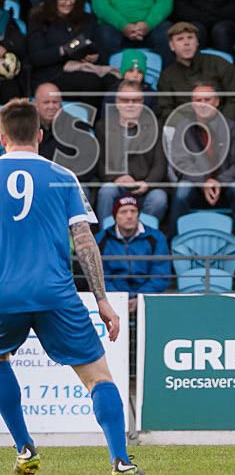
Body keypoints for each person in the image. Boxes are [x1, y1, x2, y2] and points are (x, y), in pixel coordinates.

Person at [0, 98, 144, 474]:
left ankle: (25, 449)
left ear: (2, 138)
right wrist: (102, 300)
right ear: (40, 134)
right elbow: (84, 241)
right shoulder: (63, 176)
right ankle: (120, 461)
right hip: (56, 294)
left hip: (3, 294)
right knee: (99, 377)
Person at [168, 81, 235, 238]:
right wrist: (204, 181)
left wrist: (219, 181)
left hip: (226, 186)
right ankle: (174, 243)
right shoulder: (183, 128)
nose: (203, 104)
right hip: (196, 186)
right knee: (182, 190)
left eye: (207, 100)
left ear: (217, 102)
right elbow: (180, 163)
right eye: (198, 101)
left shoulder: (233, 128)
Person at [28, 0, 117, 108]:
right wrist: (65, 50)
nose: (68, 3)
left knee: (113, 81)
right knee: (91, 82)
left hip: (84, 68)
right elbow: (36, 58)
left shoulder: (87, 20)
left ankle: (106, 124)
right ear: (53, 0)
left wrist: (94, 57)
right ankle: (86, 124)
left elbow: (101, 51)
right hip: (52, 74)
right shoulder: (39, 19)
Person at [96, 80, 168, 223]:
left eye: (135, 100)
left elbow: (160, 163)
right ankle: (105, 239)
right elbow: (99, 162)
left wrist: (147, 183)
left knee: (159, 198)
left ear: (142, 102)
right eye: (125, 100)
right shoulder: (103, 126)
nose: (130, 104)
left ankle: (141, 238)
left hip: (145, 187)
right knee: (106, 191)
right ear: (117, 102)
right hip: (117, 186)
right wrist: (116, 178)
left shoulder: (155, 126)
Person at [95, 195, 171, 313]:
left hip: (149, 298)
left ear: (138, 214)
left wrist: (140, 298)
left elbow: (161, 274)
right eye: (123, 212)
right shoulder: (101, 240)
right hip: (113, 299)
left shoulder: (156, 237)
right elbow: (100, 276)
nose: (129, 216)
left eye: (133, 211)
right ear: (115, 216)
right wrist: (120, 298)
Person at [157, 22, 235, 123]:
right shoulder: (167, 76)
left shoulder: (219, 64)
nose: (186, 43)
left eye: (190, 38)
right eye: (180, 39)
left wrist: (220, 123)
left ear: (197, 42)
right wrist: (190, 127)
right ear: (171, 46)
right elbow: (165, 110)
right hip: (186, 131)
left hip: (225, 124)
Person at [91, 0, 173, 65]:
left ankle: (166, 79)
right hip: (115, 27)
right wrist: (123, 25)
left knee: (168, 33)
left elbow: (165, 1)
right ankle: (109, 79)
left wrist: (148, 24)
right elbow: (100, 3)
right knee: (104, 35)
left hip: (151, 27)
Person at [33, 82, 97, 184]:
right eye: (46, 102)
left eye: (55, 102)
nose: (51, 106)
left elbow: (89, 163)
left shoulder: (78, 127)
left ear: (61, 103)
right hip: (36, 183)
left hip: (69, 183)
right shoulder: (27, 128)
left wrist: (61, 179)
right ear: (35, 104)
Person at [102, 48, 158, 115]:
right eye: (130, 71)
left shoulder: (150, 94)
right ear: (123, 73)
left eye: (140, 72)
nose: (135, 75)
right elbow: (106, 117)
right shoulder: (113, 92)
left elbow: (153, 118)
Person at [0, 0, 25, 105]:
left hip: (7, 81)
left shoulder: (7, 21)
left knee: (11, 89)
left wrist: (6, 50)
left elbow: (21, 48)